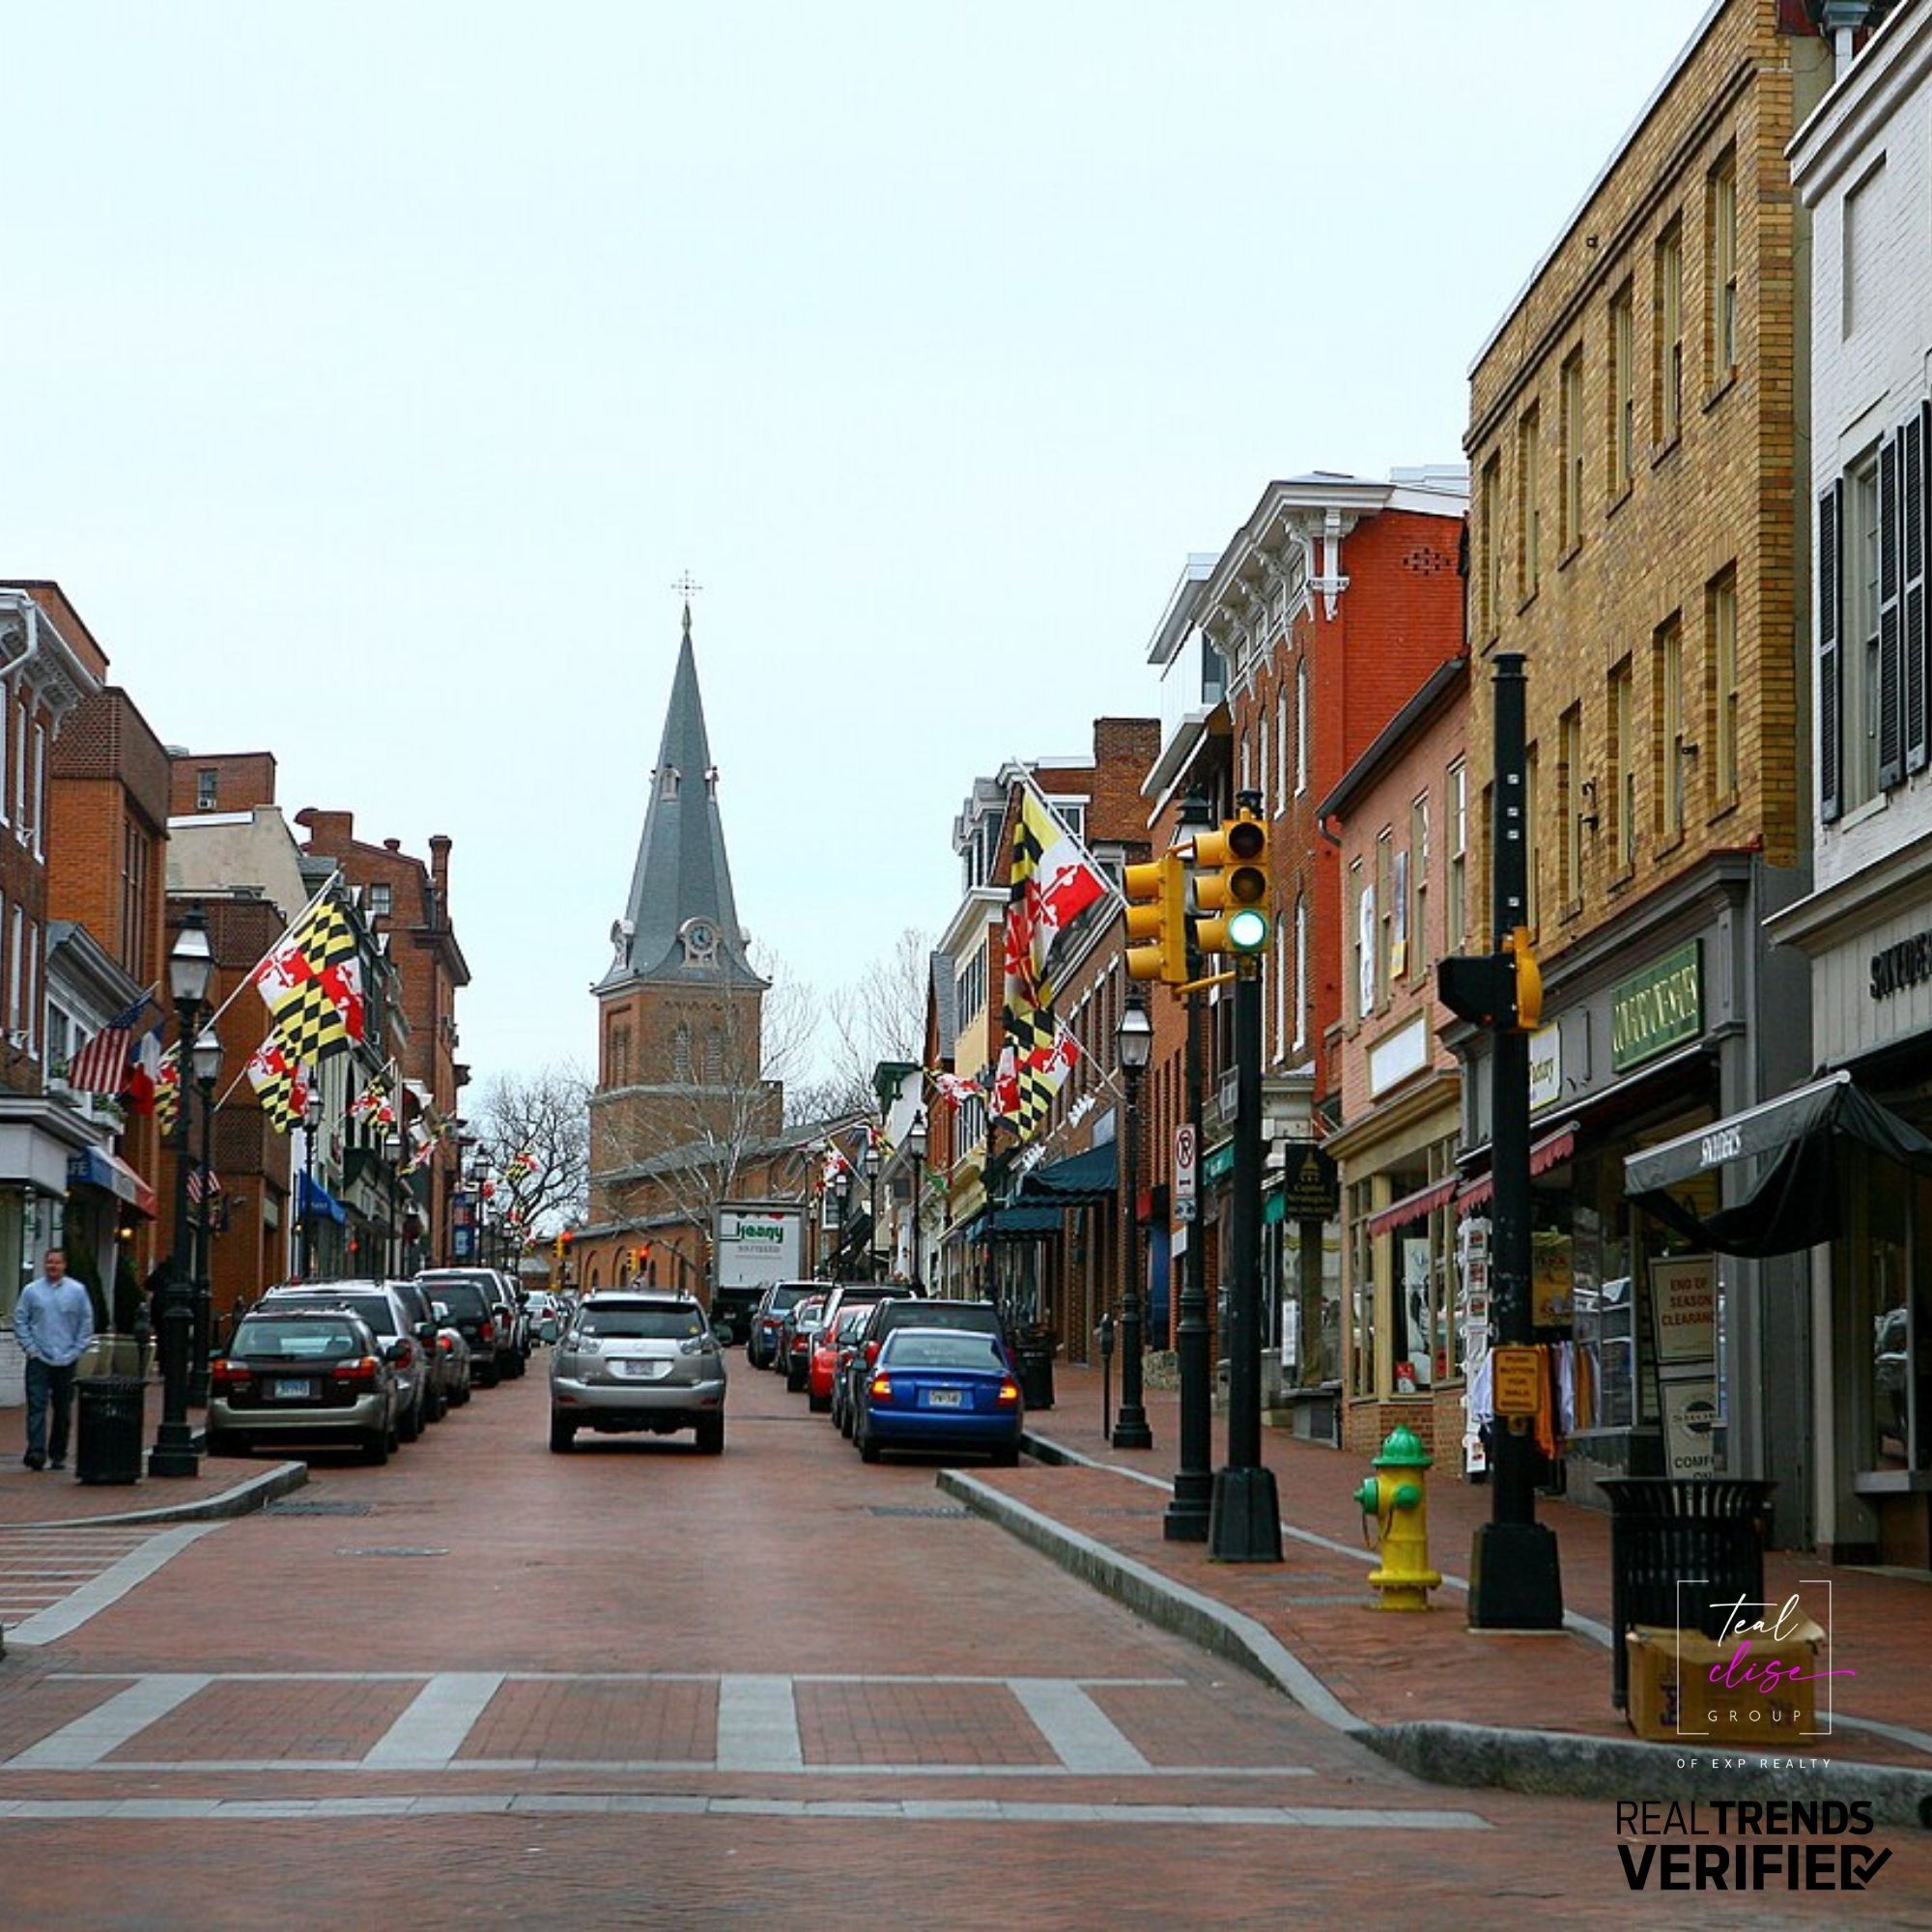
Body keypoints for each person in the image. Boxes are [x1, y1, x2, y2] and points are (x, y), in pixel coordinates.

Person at [14, 1249, 95, 1472]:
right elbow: (20, 1320)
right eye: (49, 1262)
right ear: (44, 1264)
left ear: (65, 1265)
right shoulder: (31, 1291)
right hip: (39, 1357)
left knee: (62, 1409)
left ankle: (58, 1453)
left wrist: (76, 1350)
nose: (53, 1266)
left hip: (66, 1358)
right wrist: (30, 1348)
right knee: (37, 1405)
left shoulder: (77, 1291)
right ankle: (36, 1451)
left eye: (57, 1263)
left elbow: (86, 1324)